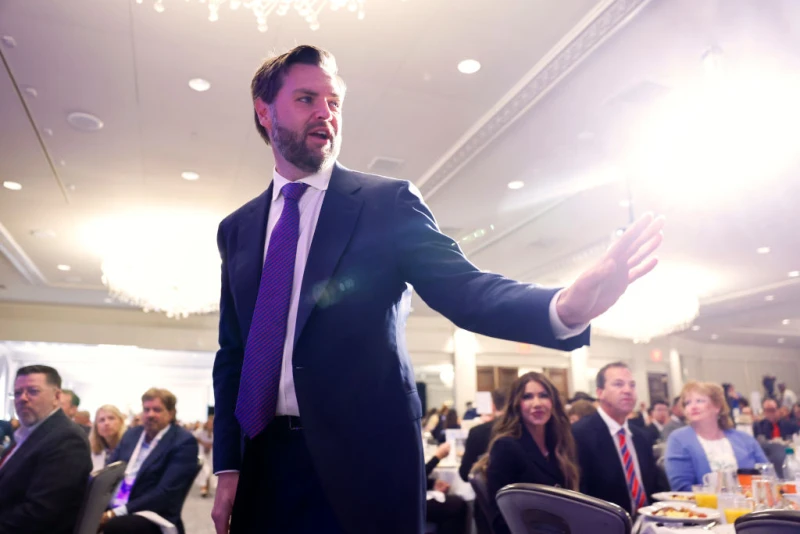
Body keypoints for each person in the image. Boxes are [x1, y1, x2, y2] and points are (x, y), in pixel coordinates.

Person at [211, 44, 663, 534]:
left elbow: (466, 289)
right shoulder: (237, 229)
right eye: (306, 99)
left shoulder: (385, 203)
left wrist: (563, 307)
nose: (326, 113)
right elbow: (234, 354)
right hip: (263, 465)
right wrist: (228, 465)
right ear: (264, 110)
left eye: (334, 101)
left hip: (363, 465)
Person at [478, 372, 580, 534]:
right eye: (527, 397)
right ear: (516, 404)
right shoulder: (506, 447)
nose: (537, 403)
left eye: (543, 396)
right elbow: (501, 518)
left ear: (553, 402)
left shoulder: (559, 442)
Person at [0, 365, 92, 534]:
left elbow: (39, 514)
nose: (22, 398)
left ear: (56, 397)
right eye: (18, 393)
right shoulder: (29, 432)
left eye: (33, 391)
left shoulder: (67, 440)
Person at [100, 388, 199, 534]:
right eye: (146, 409)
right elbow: (110, 471)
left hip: (152, 512)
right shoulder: (132, 434)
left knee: (117, 526)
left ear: (171, 413)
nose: (150, 414)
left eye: (157, 410)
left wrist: (114, 513)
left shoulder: (183, 442)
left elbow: (165, 493)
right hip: (117, 501)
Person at [572, 362, 665, 515]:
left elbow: (654, 485)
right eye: (618, 384)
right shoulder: (580, 434)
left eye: (632, 385)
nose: (627, 390)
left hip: (649, 520)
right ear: (600, 392)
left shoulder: (641, 437)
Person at [665, 382, 768, 491]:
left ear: (717, 406)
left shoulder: (745, 439)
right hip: (703, 501)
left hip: (751, 500)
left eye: (699, 401)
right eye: (687, 403)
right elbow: (682, 488)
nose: (693, 407)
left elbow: (767, 474)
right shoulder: (679, 439)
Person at [459, 389, 506, 534]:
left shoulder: (478, 432)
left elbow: (465, 473)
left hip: (488, 511)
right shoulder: (526, 430)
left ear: (492, 405)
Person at [425, 442, 468, 534]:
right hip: (403, 502)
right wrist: (437, 457)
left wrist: (432, 484)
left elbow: (410, 479)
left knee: (454, 502)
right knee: (456, 506)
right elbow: (412, 479)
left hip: (405, 495)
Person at [90, 404, 127, 471]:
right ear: (96, 427)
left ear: (121, 422)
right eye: (101, 420)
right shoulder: (92, 453)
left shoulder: (129, 448)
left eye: (111, 418)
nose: (106, 423)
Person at [195, 415, 215, 497]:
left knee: (209, 472)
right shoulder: (200, 431)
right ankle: (203, 488)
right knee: (203, 470)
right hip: (201, 454)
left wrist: (210, 445)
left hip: (211, 455)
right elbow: (195, 438)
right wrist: (204, 444)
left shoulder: (215, 432)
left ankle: (207, 489)